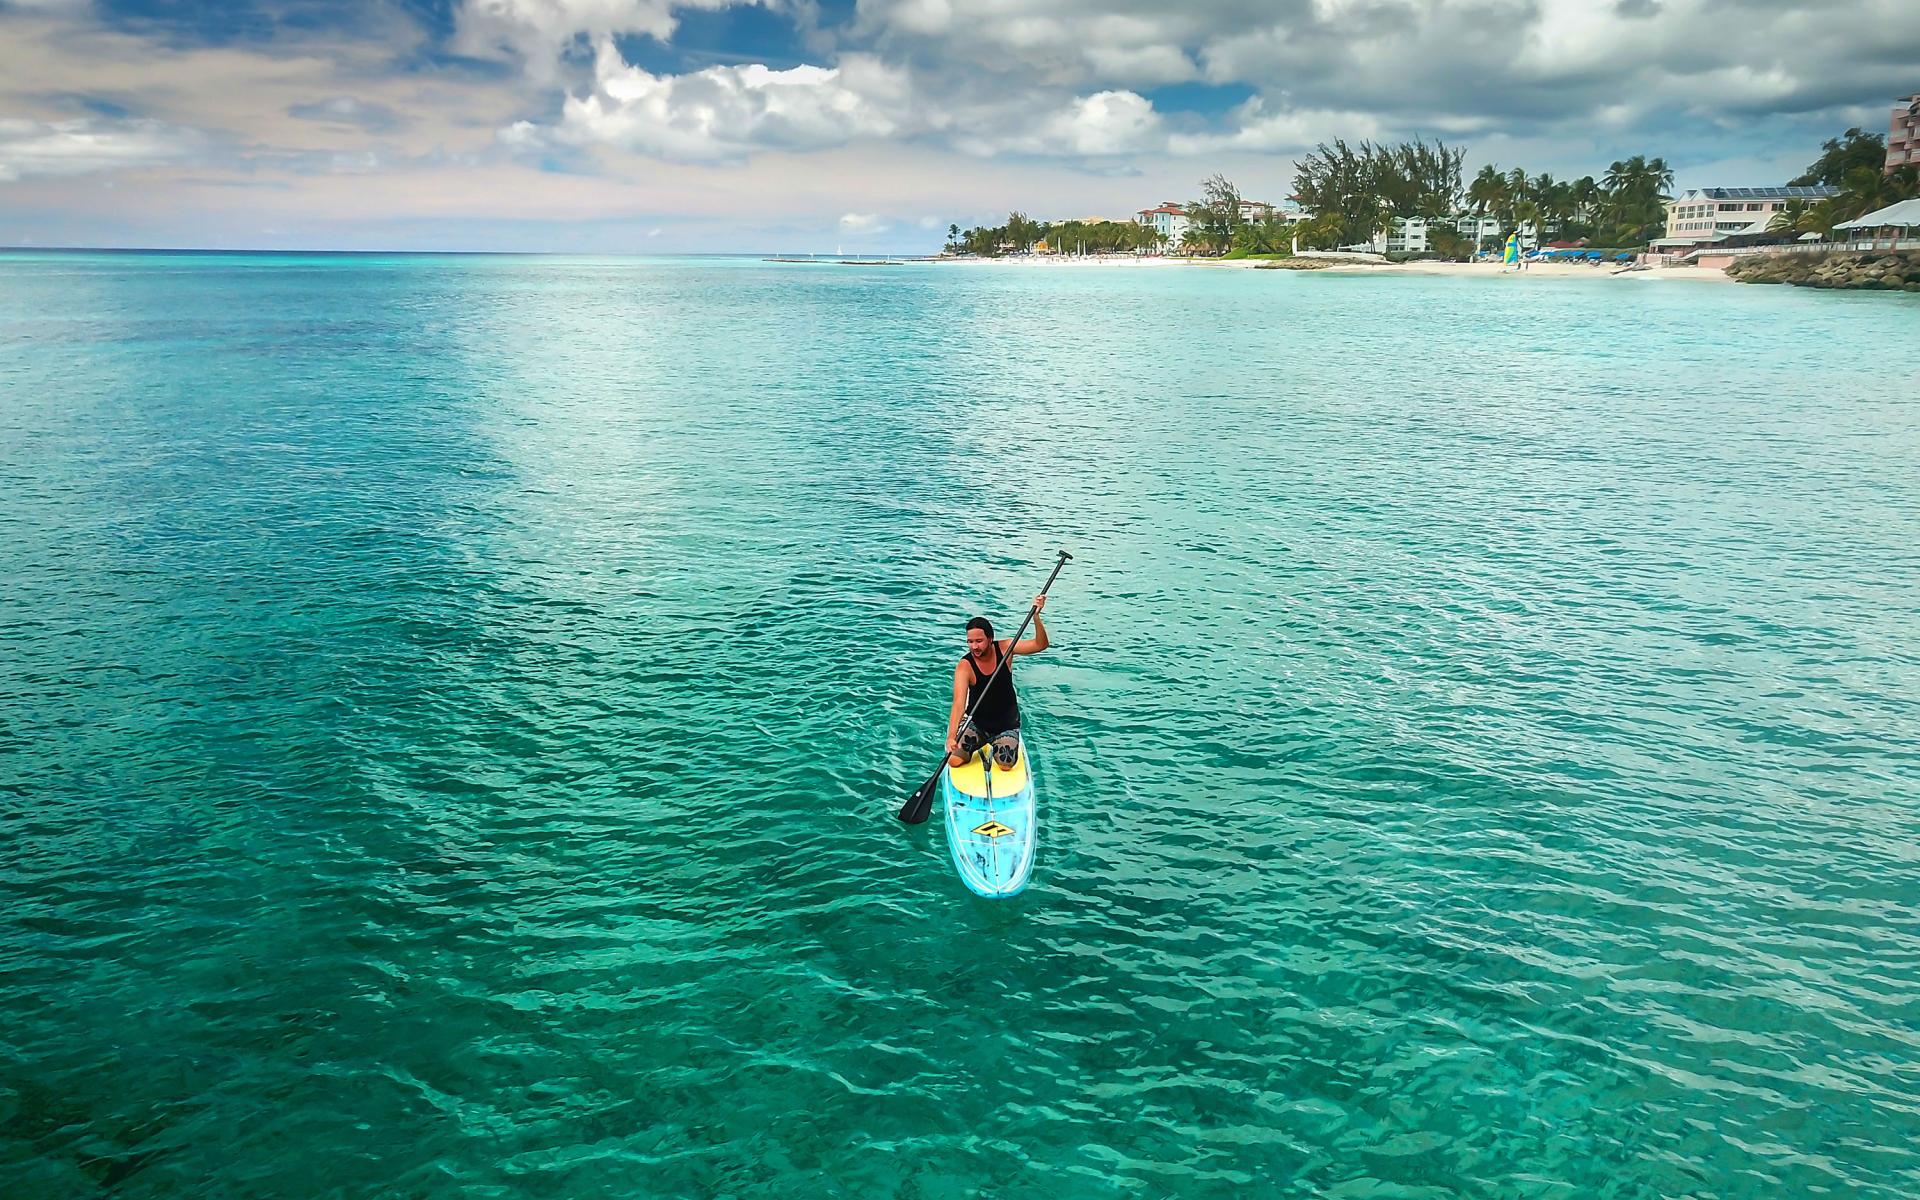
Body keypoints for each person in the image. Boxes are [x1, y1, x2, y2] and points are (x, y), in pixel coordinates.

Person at [946, 596, 1049, 770]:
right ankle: (979, 746)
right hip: (977, 724)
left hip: (1005, 725)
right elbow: (958, 704)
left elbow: (1041, 645)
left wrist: (1036, 618)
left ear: (990, 638)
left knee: (1005, 764)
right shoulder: (965, 666)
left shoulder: (1006, 648)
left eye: (979, 641)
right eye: (970, 642)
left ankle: (1004, 743)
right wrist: (951, 736)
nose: (974, 647)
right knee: (954, 761)